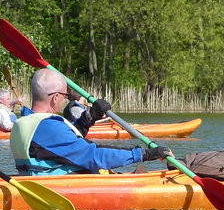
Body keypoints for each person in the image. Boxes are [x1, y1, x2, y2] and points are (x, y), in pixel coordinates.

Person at [9, 68, 173, 175]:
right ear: (55, 97)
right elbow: (94, 156)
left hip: (46, 180)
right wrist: (144, 154)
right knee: (141, 171)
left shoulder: (24, 121)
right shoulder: (47, 126)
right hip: (66, 187)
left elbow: (64, 144)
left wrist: (90, 117)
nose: (65, 101)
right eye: (65, 97)